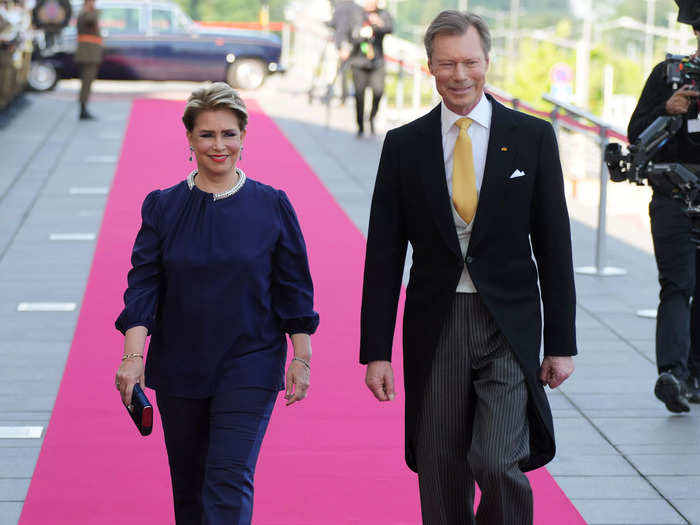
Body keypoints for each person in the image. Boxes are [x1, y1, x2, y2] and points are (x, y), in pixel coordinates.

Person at [360, 10, 577, 524]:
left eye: (470, 62)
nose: (460, 75)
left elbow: (554, 245)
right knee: (441, 465)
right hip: (438, 323)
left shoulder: (531, 137)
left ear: (487, 61)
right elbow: (385, 255)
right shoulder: (404, 145)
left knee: (499, 460)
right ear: (429, 67)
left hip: (508, 323)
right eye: (447, 63)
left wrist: (562, 343)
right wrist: (376, 351)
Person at [114, 82, 319, 524]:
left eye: (229, 133)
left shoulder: (272, 205)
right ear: (189, 138)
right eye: (207, 134)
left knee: (227, 481)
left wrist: (301, 357)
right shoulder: (163, 207)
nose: (219, 145)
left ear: (244, 136)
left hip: (250, 361)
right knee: (189, 487)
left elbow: (294, 287)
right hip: (180, 365)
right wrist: (133, 356)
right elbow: (143, 285)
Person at [627, 1, 700, 413]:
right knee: (677, 285)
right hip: (673, 195)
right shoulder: (668, 75)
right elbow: (636, 132)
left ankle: (695, 374)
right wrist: (667, 109)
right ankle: (672, 374)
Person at [347, 0, 393, 136]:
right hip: (359, 60)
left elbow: (390, 28)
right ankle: (360, 125)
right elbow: (349, 32)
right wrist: (360, 33)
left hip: (376, 61)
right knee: (359, 95)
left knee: (379, 91)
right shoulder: (357, 14)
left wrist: (378, 23)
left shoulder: (383, 14)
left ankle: (372, 116)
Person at [74, 0, 102, 120]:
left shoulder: (86, 13)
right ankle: (83, 109)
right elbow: (91, 19)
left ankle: (84, 108)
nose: (94, 4)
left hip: (90, 54)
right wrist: (94, 11)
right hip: (88, 55)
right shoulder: (86, 14)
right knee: (86, 82)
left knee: (88, 82)